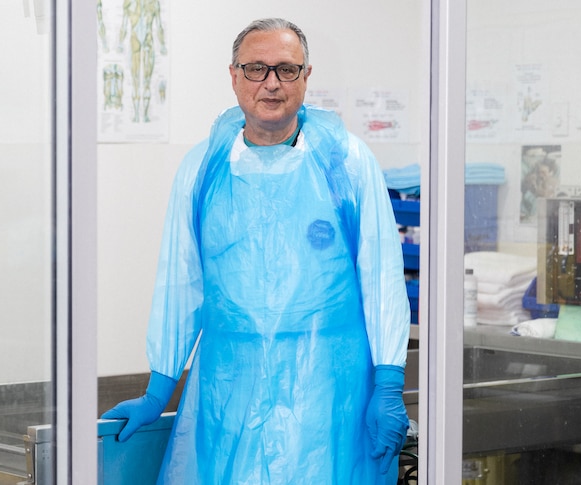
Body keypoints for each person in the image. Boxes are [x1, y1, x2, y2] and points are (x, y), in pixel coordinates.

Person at [102, 18, 411, 484]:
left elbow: (382, 277)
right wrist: (159, 387)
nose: (271, 82)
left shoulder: (345, 161)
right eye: (255, 68)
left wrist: (388, 382)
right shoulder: (203, 170)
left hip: (328, 392)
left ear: (306, 77)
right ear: (233, 76)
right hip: (229, 388)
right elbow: (181, 282)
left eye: (287, 69)